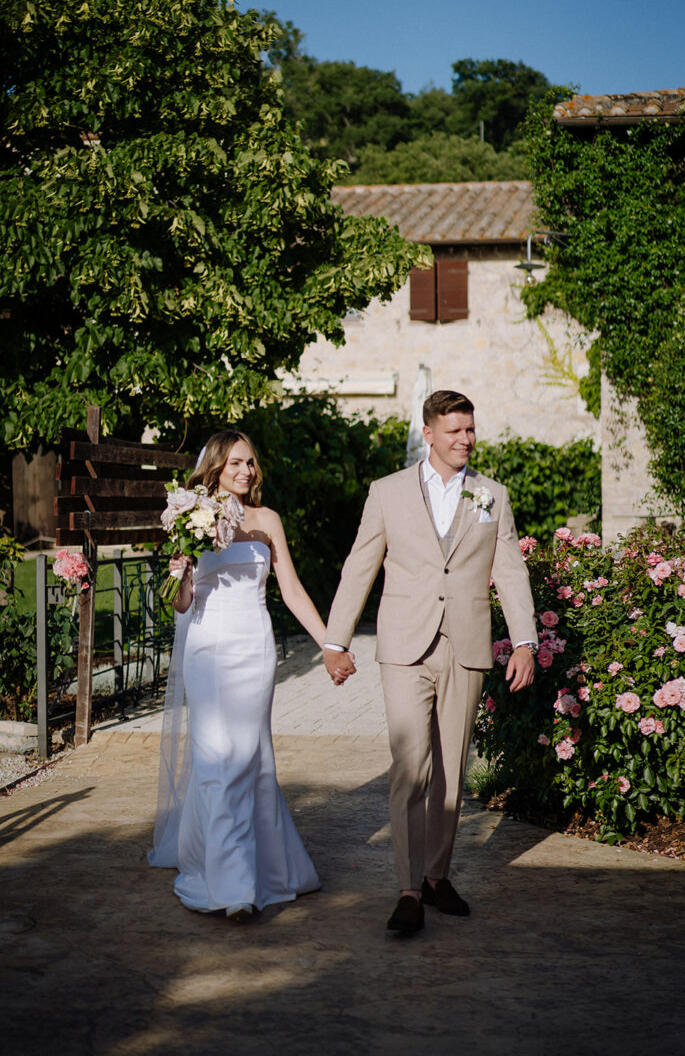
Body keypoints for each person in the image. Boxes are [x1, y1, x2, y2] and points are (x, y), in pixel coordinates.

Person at [323, 391, 537, 934]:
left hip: (465, 646)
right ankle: (407, 889)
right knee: (410, 767)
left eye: (470, 429)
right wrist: (335, 640)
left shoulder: (493, 496)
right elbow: (359, 566)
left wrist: (525, 642)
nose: (465, 439)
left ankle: (438, 877)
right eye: (454, 431)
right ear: (428, 433)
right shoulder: (388, 492)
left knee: (450, 773)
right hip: (403, 647)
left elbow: (509, 573)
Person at [149, 430, 354, 922]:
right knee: (219, 758)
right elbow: (180, 603)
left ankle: (265, 870)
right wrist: (180, 571)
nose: (246, 471)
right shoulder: (190, 519)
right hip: (206, 647)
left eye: (251, 464)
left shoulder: (269, 521)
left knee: (251, 754)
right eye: (237, 463)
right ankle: (233, 888)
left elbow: (292, 589)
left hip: (254, 647)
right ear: (216, 467)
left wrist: (332, 644)